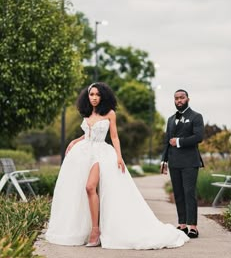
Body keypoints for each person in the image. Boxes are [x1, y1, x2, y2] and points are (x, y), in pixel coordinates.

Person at [45, 82, 189, 249]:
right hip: (84, 152)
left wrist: (119, 157)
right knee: (82, 190)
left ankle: (95, 231)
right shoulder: (86, 113)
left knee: (90, 187)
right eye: (91, 94)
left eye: (97, 95)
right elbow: (87, 135)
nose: (93, 98)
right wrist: (75, 140)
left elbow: (114, 137)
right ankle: (91, 229)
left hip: (101, 154)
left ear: (103, 96)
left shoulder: (109, 113)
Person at [161, 89, 204, 239]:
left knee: (189, 193)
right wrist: (164, 160)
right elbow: (167, 140)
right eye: (176, 98)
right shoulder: (171, 119)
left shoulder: (196, 117)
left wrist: (179, 141)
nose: (179, 100)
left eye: (182, 98)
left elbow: (199, 137)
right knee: (178, 194)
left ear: (187, 99)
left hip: (190, 162)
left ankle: (193, 227)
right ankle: (182, 224)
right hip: (174, 162)